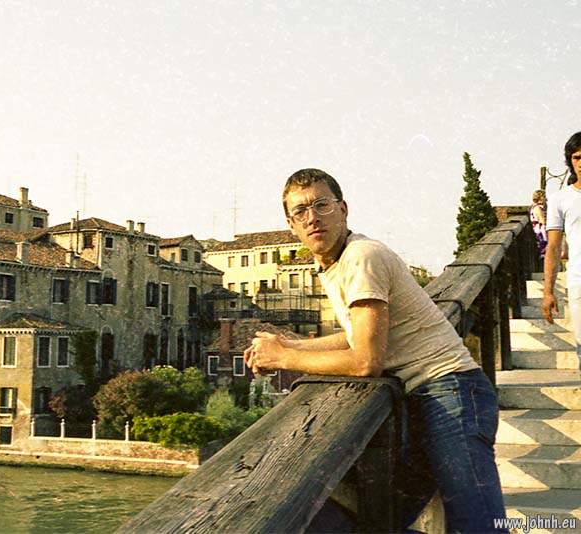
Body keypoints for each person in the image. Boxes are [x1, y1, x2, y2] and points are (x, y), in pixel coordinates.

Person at [244, 168, 507, 533]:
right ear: (291, 225)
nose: (312, 217)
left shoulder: (361, 257)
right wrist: (290, 344)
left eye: (321, 205)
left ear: (343, 209)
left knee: (479, 526)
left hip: (452, 394)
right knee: (375, 520)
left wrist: (283, 358)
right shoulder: (336, 264)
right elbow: (357, 335)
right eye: (300, 212)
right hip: (426, 399)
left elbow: (366, 361)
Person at [543, 131, 581, 373]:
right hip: (579, 281)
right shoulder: (560, 199)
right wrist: (547, 292)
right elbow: (554, 248)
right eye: (578, 157)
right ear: (571, 161)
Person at [530, 189, 548, 263]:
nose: (545, 197)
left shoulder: (539, 207)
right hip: (540, 230)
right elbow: (542, 220)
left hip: (540, 229)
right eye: (544, 196)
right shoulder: (537, 207)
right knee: (544, 248)